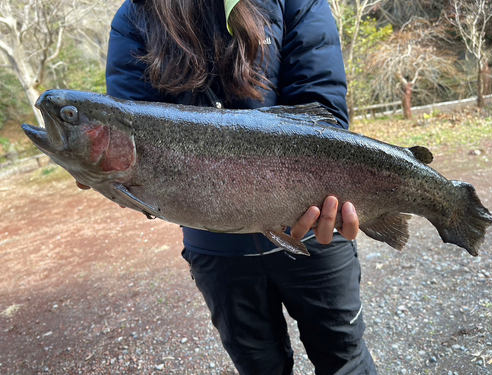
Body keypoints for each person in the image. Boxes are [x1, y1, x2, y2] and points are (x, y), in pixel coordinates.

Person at [89, 0, 378, 373]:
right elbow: (130, 130)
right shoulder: (134, 17)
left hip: (315, 232)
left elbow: (322, 114)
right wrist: (101, 171)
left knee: (345, 362)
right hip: (216, 252)